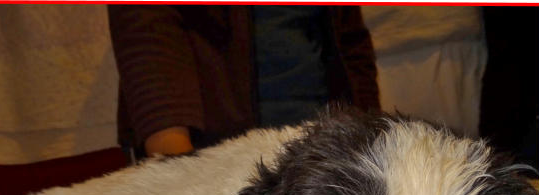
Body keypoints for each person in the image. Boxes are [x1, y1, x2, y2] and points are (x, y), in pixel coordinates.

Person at [108, 5, 380, 158]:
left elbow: (350, 42)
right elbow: (147, 30)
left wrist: (371, 136)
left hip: (327, 141)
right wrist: (175, 159)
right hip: (211, 147)